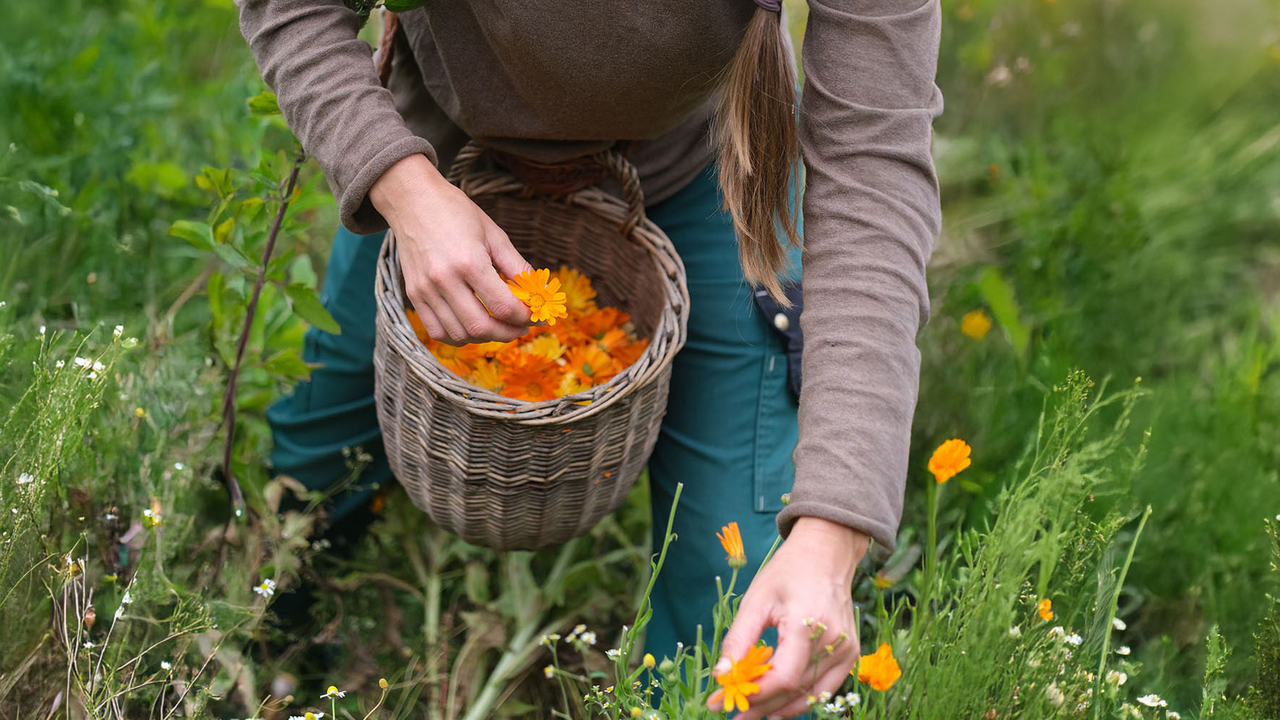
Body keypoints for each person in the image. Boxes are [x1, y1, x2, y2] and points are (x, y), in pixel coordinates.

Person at [237, 0, 941, 716]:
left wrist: (835, 528)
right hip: (435, 160)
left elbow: (873, 167)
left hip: (709, 163)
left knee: (746, 613)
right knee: (319, 461)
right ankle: (263, 657)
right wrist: (404, 192)